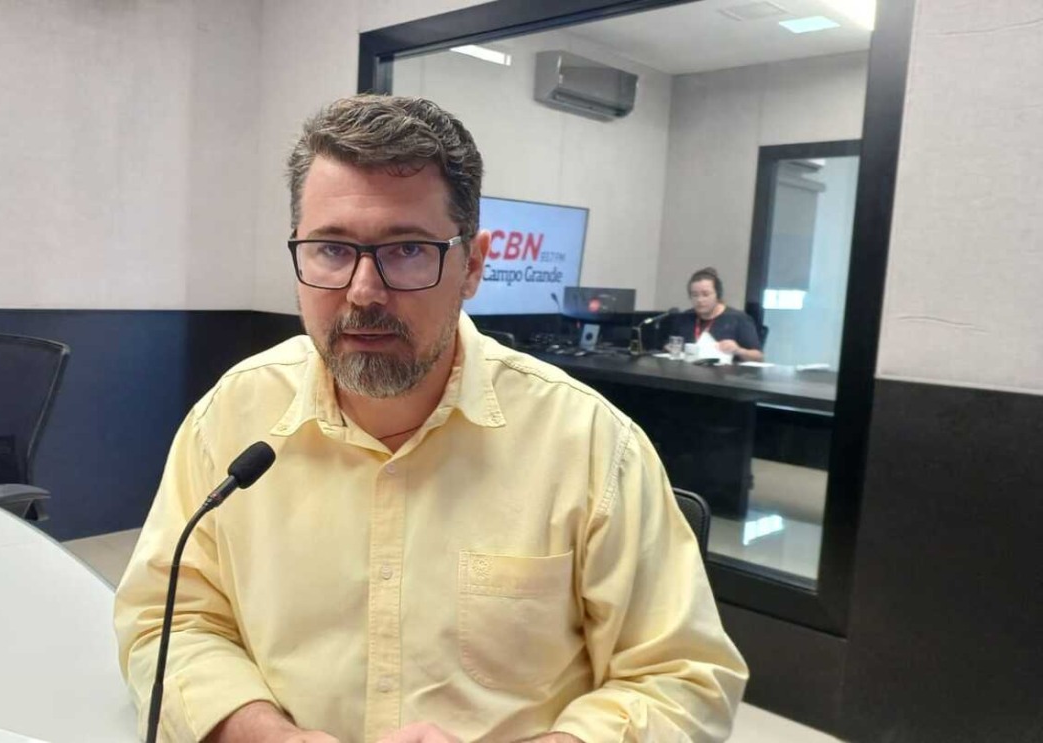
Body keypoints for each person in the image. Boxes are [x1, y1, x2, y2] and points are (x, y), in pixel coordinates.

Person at [114, 94, 748, 743]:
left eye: (408, 250)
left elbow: (683, 676)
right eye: (331, 249)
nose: (363, 291)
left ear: (472, 264)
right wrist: (264, 733)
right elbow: (167, 619)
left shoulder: (589, 445)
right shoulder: (232, 418)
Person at [667, 268, 764, 362]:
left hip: (726, 375)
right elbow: (670, 346)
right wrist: (670, 348)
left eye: (706, 294)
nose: (700, 300)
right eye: (695, 295)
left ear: (718, 295)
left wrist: (738, 350)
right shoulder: (685, 317)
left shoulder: (738, 319)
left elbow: (759, 357)